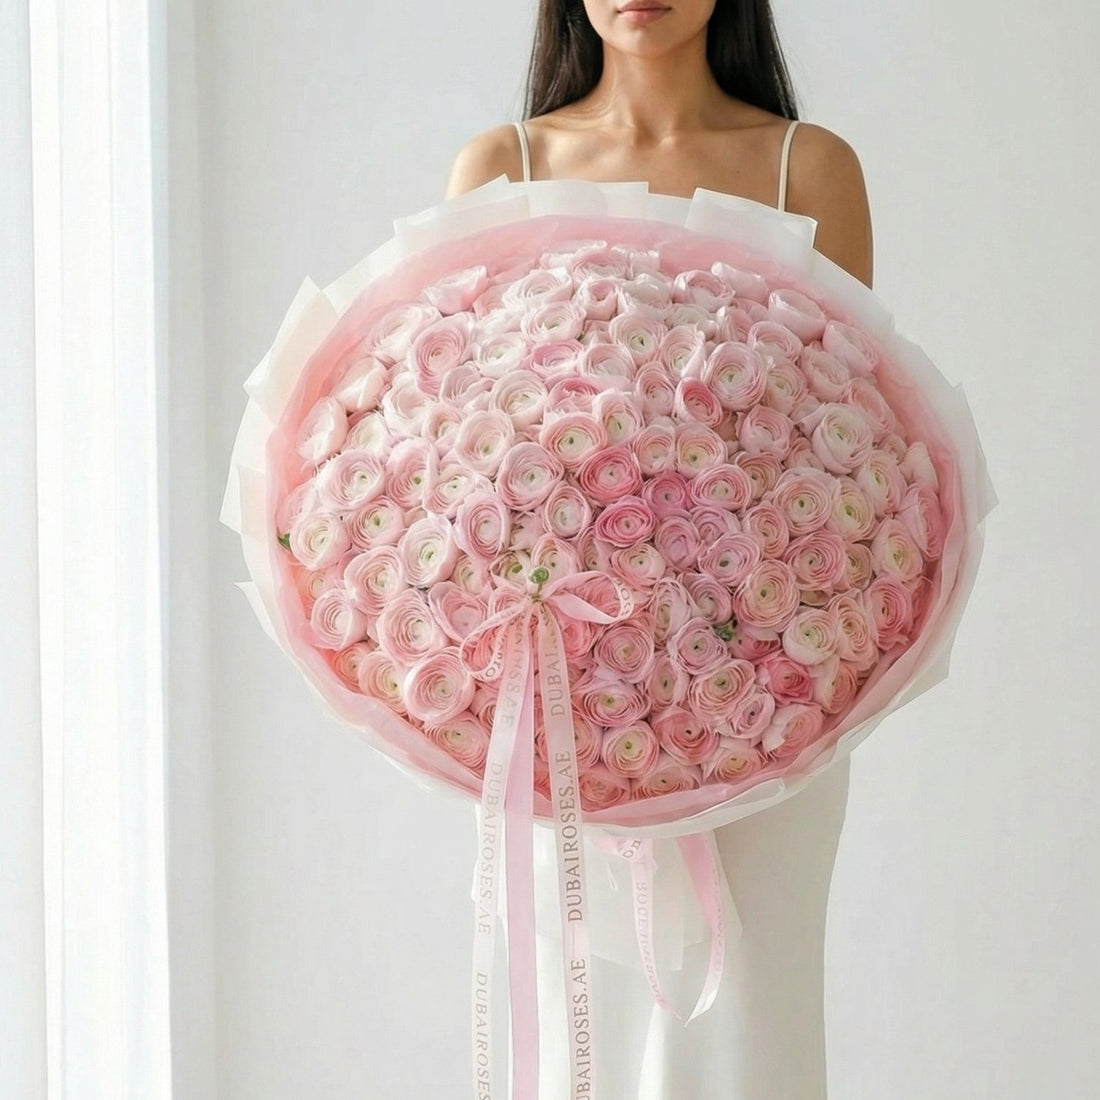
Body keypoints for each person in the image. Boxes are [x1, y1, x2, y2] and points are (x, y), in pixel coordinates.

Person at [445, 3, 871, 1097]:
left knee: (746, 1016)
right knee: (580, 1004)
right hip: (568, 698)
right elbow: (464, 447)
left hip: (767, 688)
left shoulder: (801, 168)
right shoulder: (505, 165)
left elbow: (857, 436)